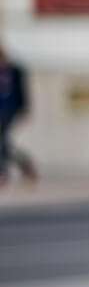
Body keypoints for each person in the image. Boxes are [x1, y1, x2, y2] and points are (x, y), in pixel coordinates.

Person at [0, 43, 37, 187]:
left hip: (10, 111)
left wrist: (25, 108)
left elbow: (22, 91)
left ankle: (3, 174)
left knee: (2, 142)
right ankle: (24, 164)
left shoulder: (15, 71)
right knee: (3, 144)